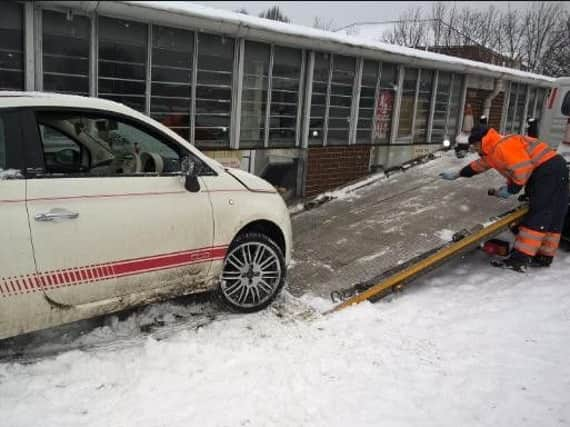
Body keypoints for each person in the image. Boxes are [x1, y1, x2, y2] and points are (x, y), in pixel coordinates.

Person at [439, 126, 569, 272]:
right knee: (554, 211)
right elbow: (479, 166)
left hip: (547, 171)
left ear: (483, 141)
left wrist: (510, 189)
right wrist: (458, 173)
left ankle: (519, 260)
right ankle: (545, 256)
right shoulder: (493, 149)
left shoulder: (502, 147)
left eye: (475, 145)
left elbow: (521, 170)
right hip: (553, 168)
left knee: (539, 213)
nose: (475, 149)